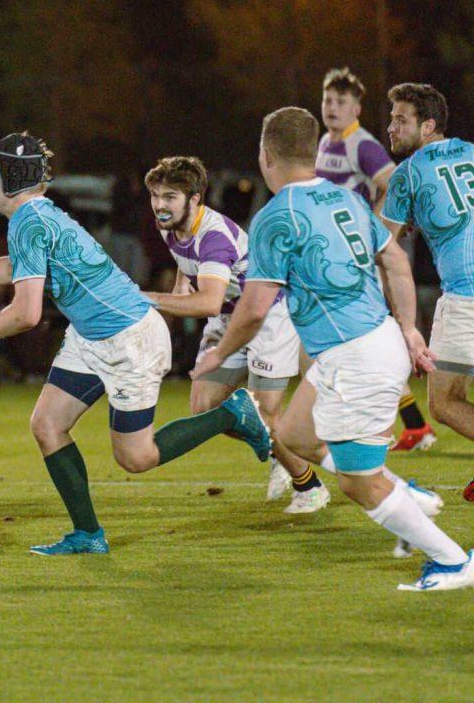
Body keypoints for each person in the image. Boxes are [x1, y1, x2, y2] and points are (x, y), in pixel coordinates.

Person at [0, 133, 271, 556]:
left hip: (130, 339)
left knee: (137, 457)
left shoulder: (30, 220)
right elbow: (16, 266)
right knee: (47, 425)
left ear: (12, 178)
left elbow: (26, 315)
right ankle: (88, 534)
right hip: (91, 335)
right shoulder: (34, 216)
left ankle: (232, 414)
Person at [193, 107, 469, 591]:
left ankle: (452, 560)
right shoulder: (349, 200)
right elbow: (397, 263)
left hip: (354, 356)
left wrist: (218, 355)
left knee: (358, 482)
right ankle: (407, 494)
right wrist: (408, 327)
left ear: (265, 155)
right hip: (369, 341)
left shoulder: (275, 218)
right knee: (295, 434)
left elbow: (255, 307)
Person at [142, 156, 326, 513]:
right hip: (229, 319)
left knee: (264, 414)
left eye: (169, 197)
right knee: (205, 408)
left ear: (195, 198)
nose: (160, 205)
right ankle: (277, 448)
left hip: (266, 317)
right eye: (155, 195)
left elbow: (209, 301)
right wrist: (178, 295)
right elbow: (187, 270)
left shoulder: (213, 236)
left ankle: (310, 486)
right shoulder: (170, 226)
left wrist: (149, 298)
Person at [316, 67, 435, 451]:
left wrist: (375, 231)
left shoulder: (361, 145)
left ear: (357, 108)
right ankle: (414, 425)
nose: (333, 108)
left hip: (362, 256)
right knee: (365, 335)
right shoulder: (325, 143)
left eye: (341, 102)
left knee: (370, 334)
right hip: (340, 255)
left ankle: (382, 424)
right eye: (328, 100)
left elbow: (394, 181)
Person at [381, 83, 474, 503]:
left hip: (465, 298)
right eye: (392, 118)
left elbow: (383, 247)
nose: (391, 128)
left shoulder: (409, 173)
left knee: (445, 402)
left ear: (429, 125)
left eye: (402, 120)